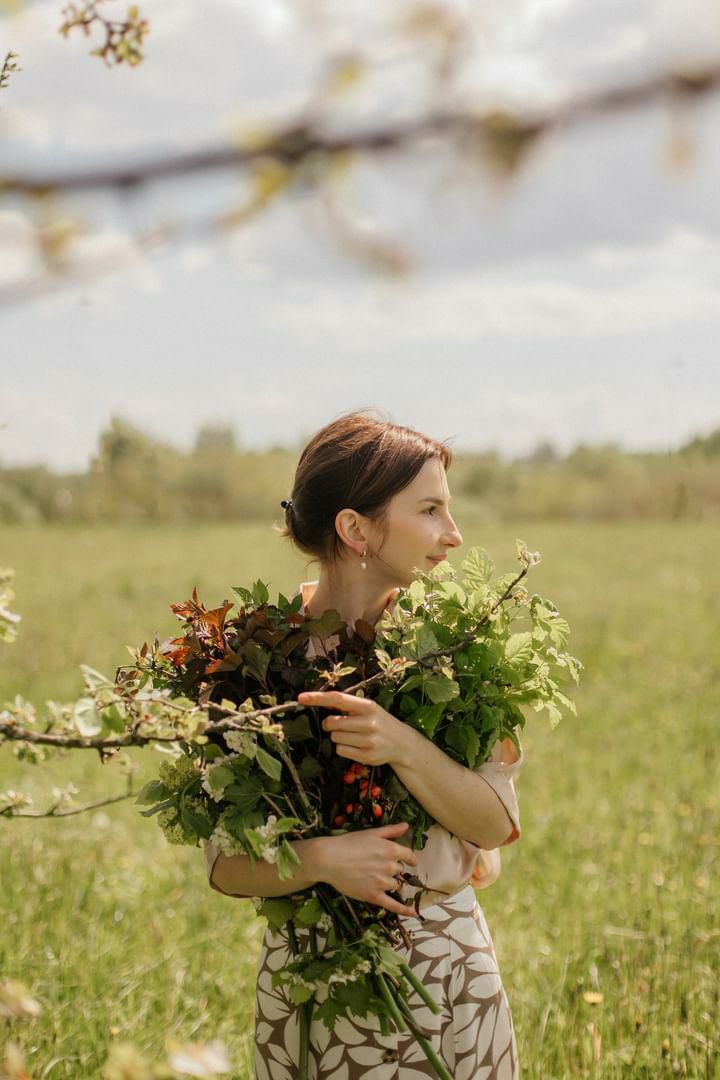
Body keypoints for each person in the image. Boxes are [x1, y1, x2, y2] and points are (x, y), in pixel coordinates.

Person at [203, 410, 523, 1079]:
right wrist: (320, 859)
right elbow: (226, 864)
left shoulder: (457, 648)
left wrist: (403, 745)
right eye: (431, 510)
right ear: (354, 529)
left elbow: (496, 825)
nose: (454, 535)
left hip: (445, 966)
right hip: (313, 979)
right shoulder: (253, 663)